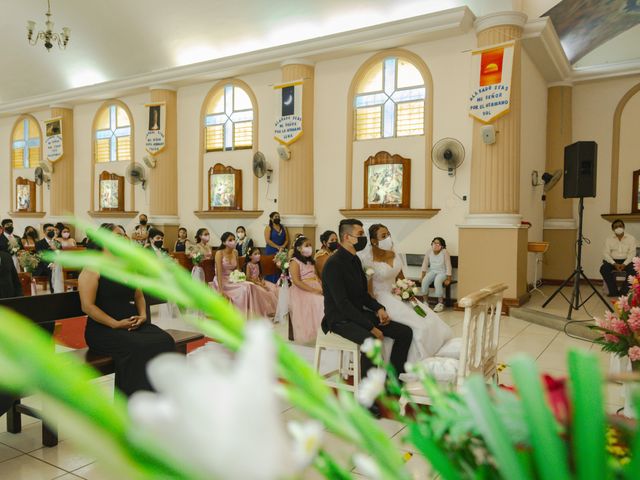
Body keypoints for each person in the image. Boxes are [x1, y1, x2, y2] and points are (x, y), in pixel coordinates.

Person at [79, 224, 175, 396]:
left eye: (124, 235)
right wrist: (115, 324)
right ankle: (131, 403)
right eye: (118, 235)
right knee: (138, 346)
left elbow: (139, 295)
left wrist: (143, 316)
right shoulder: (93, 268)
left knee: (165, 340)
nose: (123, 238)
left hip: (130, 323)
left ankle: (158, 399)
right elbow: (87, 306)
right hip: (103, 329)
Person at [321, 219, 412, 377]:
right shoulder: (333, 264)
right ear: (347, 237)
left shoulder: (355, 260)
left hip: (357, 314)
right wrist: (371, 327)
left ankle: (393, 382)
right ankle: (367, 396)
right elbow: (342, 304)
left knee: (404, 332)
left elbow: (363, 294)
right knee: (372, 341)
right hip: (339, 319)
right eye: (360, 234)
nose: (364, 238)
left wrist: (379, 308)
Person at [361, 224, 452, 362]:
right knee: (416, 325)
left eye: (388, 234)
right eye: (383, 236)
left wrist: (408, 292)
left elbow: (401, 277)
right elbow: (369, 291)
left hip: (397, 293)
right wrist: (376, 308)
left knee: (427, 319)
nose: (388, 238)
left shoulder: (394, 254)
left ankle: (433, 352)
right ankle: (414, 360)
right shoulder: (368, 261)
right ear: (373, 241)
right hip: (381, 297)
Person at [289, 236, 324, 343]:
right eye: (307, 246)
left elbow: (316, 276)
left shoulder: (310, 261)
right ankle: (319, 331)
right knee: (320, 302)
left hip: (315, 285)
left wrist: (321, 286)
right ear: (299, 248)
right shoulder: (294, 261)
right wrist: (312, 290)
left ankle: (327, 332)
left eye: (310, 245)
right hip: (302, 289)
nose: (310, 248)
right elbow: (296, 281)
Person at [213, 232, 259, 315]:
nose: (233, 241)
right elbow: (219, 272)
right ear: (224, 242)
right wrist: (220, 289)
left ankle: (250, 313)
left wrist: (240, 276)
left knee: (250, 285)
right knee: (244, 288)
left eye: (234, 239)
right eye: (230, 240)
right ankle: (239, 314)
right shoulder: (219, 253)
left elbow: (237, 268)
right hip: (222, 279)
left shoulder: (235, 252)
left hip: (232, 278)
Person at [600, 219, 637, 297]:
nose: (618, 228)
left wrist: (625, 263)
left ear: (623, 227)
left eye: (620, 226)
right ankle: (613, 291)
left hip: (627, 260)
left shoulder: (631, 238)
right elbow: (606, 253)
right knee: (603, 268)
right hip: (612, 261)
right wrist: (614, 263)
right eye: (616, 227)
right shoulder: (608, 239)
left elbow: (632, 253)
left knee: (634, 269)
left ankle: (623, 291)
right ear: (613, 229)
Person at [419, 237, 453, 312]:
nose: (435, 245)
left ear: (442, 246)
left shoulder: (445, 252)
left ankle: (440, 303)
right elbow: (425, 264)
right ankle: (425, 302)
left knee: (437, 281)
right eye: (434, 243)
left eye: (438, 243)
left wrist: (449, 278)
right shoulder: (429, 251)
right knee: (424, 281)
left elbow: (448, 265)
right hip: (432, 271)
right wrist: (422, 276)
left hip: (442, 272)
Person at [243, 247, 278, 317]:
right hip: (253, 283)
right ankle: (267, 310)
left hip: (259, 281)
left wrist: (262, 281)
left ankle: (273, 309)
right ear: (250, 256)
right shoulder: (249, 264)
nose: (258, 255)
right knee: (264, 292)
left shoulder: (257, 264)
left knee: (273, 288)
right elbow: (247, 278)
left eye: (259, 253)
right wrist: (258, 283)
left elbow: (260, 275)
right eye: (255, 254)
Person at [34, 223, 60, 293]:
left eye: (53, 230)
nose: (51, 231)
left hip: (56, 264)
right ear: (44, 232)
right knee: (52, 270)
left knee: (59, 269)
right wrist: (50, 264)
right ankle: (53, 292)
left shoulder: (57, 242)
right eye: (49, 230)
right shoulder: (39, 243)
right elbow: (41, 256)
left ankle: (61, 290)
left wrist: (56, 263)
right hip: (44, 265)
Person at [264, 212, 289, 283]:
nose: (277, 218)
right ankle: (271, 284)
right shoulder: (268, 228)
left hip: (282, 250)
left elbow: (287, 239)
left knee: (282, 268)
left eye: (278, 216)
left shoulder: (283, 227)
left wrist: (283, 246)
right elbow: (267, 240)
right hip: (271, 250)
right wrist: (277, 247)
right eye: (275, 217)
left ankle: (281, 283)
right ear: (271, 219)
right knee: (272, 268)